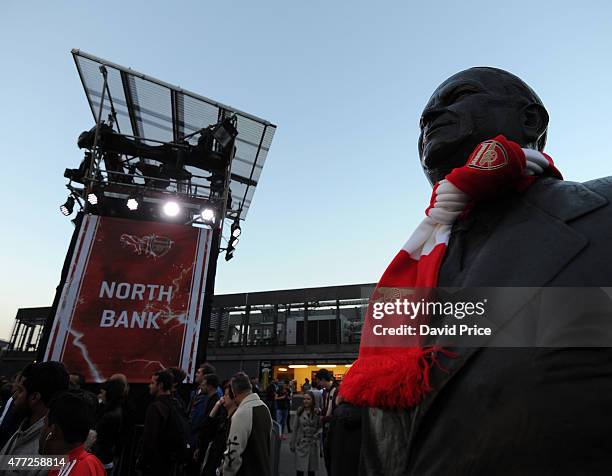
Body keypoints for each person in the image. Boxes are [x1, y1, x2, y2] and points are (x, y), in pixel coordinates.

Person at [341, 67, 612, 475]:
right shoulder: (407, 277)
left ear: (530, 121)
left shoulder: (603, 216)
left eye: (459, 96)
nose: (432, 117)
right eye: (423, 119)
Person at [1, 361, 69, 475]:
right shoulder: (24, 427)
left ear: (34, 397)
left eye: (20, 391)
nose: (14, 396)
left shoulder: (48, 449)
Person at [41, 391, 105, 476]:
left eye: (44, 424)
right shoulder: (94, 462)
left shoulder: (67, 470)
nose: (41, 431)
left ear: (53, 430)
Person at [222, 372, 272, 476]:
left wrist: (226, 472)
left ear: (234, 391)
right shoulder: (264, 407)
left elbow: (233, 453)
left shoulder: (242, 413)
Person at [139, 369, 186, 476]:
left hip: (155, 464)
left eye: (152, 383)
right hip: (170, 463)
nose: (149, 386)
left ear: (160, 385)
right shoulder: (177, 404)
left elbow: (149, 439)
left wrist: (143, 462)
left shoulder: (156, 407)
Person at [200, 382, 237, 476]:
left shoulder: (234, 420)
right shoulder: (224, 417)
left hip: (219, 464)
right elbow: (207, 426)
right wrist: (217, 405)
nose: (223, 398)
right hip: (212, 460)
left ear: (235, 398)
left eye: (226, 395)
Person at [91, 378, 124, 474]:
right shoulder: (115, 410)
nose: (100, 396)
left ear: (108, 394)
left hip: (100, 459)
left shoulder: (110, 416)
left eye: (102, 393)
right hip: (105, 458)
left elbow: (98, 437)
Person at [290, 391, 322, 476]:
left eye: (308, 399)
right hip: (301, 444)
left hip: (313, 444)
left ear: (313, 400)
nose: (306, 401)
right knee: (300, 470)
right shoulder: (300, 411)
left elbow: (321, 427)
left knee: (311, 471)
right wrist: (292, 443)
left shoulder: (317, 412)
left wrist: (317, 435)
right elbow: (295, 428)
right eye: (304, 399)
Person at [315, 369, 337, 474]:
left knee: (332, 459)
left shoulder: (337, 391)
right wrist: (320, 412)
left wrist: (324, 418)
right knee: (327, 458)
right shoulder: (326, 392)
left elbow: (337, 413)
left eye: (319, 381)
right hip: (326, 429)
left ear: (323, 380)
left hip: (333, 430)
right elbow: (327, 408)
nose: (318, 383)